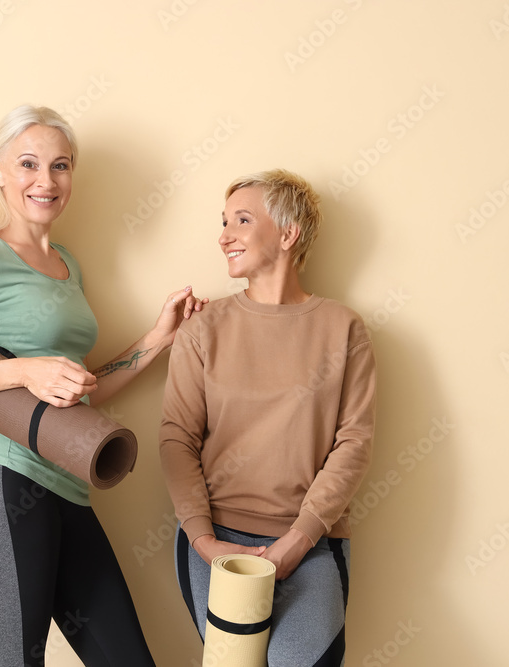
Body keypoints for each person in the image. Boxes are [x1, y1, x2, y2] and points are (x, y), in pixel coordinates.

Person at [0, 104, 205, 666]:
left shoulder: (68, 265)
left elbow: (79, 395)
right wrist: (23, 369)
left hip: (66, 486)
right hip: (3, 482)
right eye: (28, 164)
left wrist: (157, 339)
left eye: (60, 166)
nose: (46, 181)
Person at [159, 169, 376, 666]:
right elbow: (177, 438)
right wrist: (205, 540)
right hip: (214, 544)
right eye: (223, 222)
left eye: (241, 219)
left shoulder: (343, 328)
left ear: (287, 233)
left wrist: (297, 543)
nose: (224, 235)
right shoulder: (202, 330)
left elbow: (354, 444)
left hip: (313, 543)